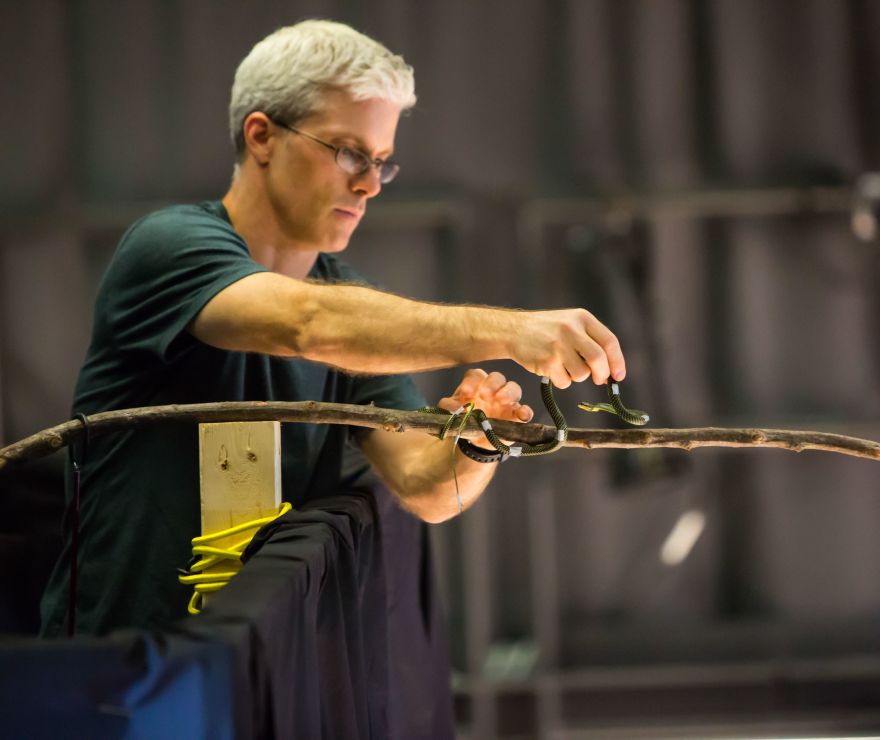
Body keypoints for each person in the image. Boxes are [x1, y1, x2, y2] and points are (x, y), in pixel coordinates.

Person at [39, 17, 622, 660]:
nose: (369, 183)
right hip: (119, 668)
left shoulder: (350, 313)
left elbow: (425, 486)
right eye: (348, 152)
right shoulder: (169, 248)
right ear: (262, 136)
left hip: (258, 671)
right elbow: (305, 326)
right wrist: (512, 329)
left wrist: (475, 442)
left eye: (381, 163)